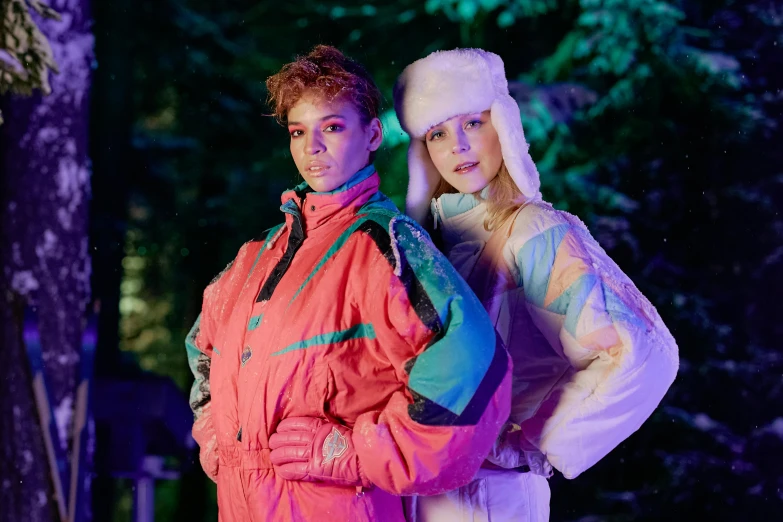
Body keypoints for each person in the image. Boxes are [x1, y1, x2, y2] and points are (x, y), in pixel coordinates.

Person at [185, 45, 512, 522]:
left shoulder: (381, 243)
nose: (311, 147)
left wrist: (361, 451)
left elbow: (472, 364)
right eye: (299, 131)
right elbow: (203, 349)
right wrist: (217, 436)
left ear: (373, 133)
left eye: (332, 127)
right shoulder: (255, 257)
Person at [393, 48, 679, 521]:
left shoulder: (533, 231)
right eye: (438, 133)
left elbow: (639, 353)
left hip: (491, 499)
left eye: (472, 123)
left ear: (502, 124)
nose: (458, 146)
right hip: (419, 494)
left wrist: (533, 442)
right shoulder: (421, 247)